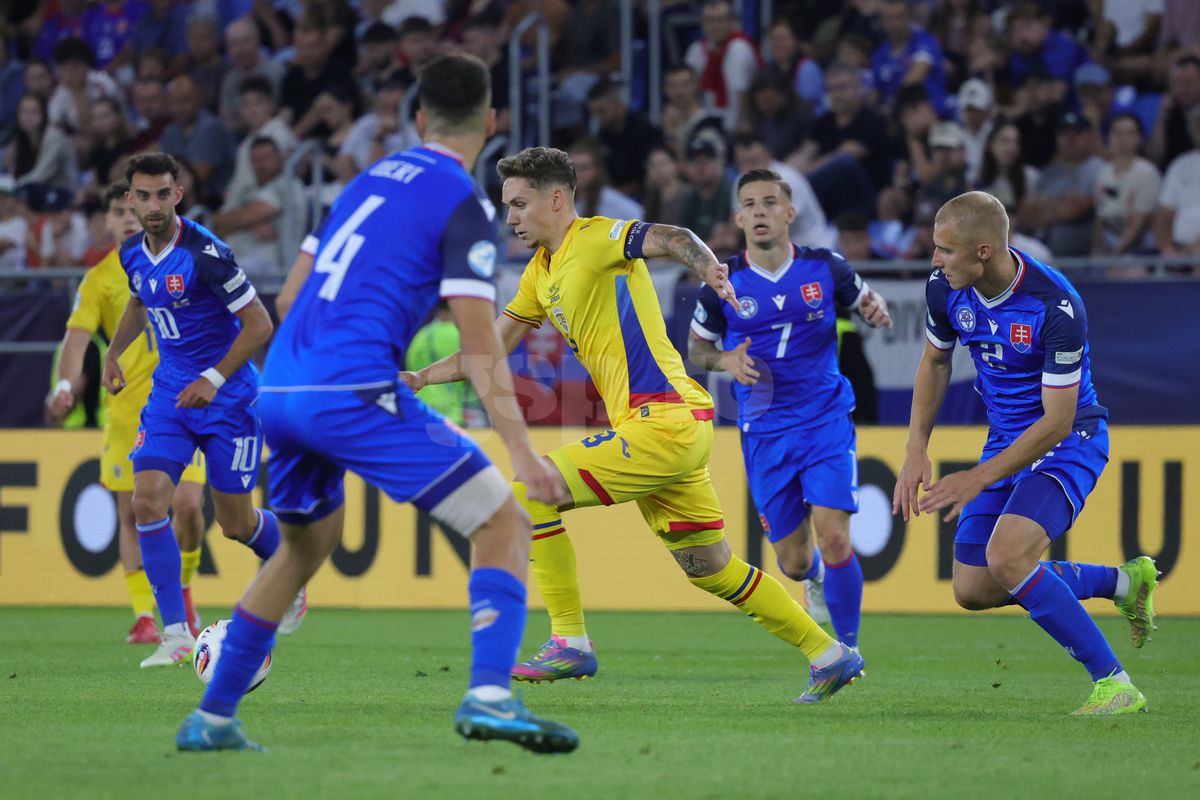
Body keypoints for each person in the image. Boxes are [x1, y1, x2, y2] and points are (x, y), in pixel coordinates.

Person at [174, 53, 578, 755]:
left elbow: (291, 296)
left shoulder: (360, 182)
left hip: (283, 388)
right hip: (349, 388)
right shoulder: (464, 203)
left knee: (303, 548)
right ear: (490, 121)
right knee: (504, 522)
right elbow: (480, 333)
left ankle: (210, 720)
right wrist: (519, 448)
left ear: (417, 118)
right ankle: (489, 695)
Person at [405, 145, 864, 704]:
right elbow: (486, 350)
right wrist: (421, 378)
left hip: (662, 420)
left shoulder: (597, 238)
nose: (511, 218)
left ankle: (569, 638)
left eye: (520, 204)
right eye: (507, 207)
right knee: (711, 568)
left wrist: (709, 269)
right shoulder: (538, 274)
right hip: (671, 426)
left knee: (530, 491)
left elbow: (671, 237)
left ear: (556, 199)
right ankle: (829, 653)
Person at [893, 191, 1159, 715]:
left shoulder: (1054, 305)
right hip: (1006, 442)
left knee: (1008, 556)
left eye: (946, 250)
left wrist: (976, 477)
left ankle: (1115, 683)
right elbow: (935, 362)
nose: (935, 261)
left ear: (984, 251)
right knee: (971, 588)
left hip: (1069, 441)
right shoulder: (944, 290)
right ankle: (1123, 582)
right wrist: (915, 447)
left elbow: (1057, 419)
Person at [101, 152, 307, 670]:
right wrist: (112, 353)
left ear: (178, 194)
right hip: (171, 396)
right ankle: (175, 634)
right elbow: (138, 301)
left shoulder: (207, 254)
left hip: (229, 399)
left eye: (162, 194)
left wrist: (212, 379)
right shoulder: (131, 253)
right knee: (146, 503)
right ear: (130, 199)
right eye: (142, 196)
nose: (152, 205)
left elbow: (260, 325)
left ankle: (291, 568)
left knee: (235, 524)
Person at [690, 168, 892, 649]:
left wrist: (875, 308)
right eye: (751, 204)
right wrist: (724, 359)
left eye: (770, 202)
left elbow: (866, 296)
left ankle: (847, 651)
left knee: (836, 535)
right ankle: (815, 577)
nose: (760, 211)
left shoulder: (827, 267)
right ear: (738, 217)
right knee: (794, 563)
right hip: (764, 431)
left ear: (789, 213)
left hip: (825, 419)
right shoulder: (722, 282)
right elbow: (697, 351)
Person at [46, 181, 207, 645]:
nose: (131, 215)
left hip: (181, 404)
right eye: (120, 209)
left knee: (191, 509)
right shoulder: (98, 279)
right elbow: (77, 339)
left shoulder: (185, 257)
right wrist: (63, 384)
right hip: (126, 414)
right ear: (110, 220)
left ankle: (184, 589)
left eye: (136, 205)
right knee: (133, 515)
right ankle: (143, 615)